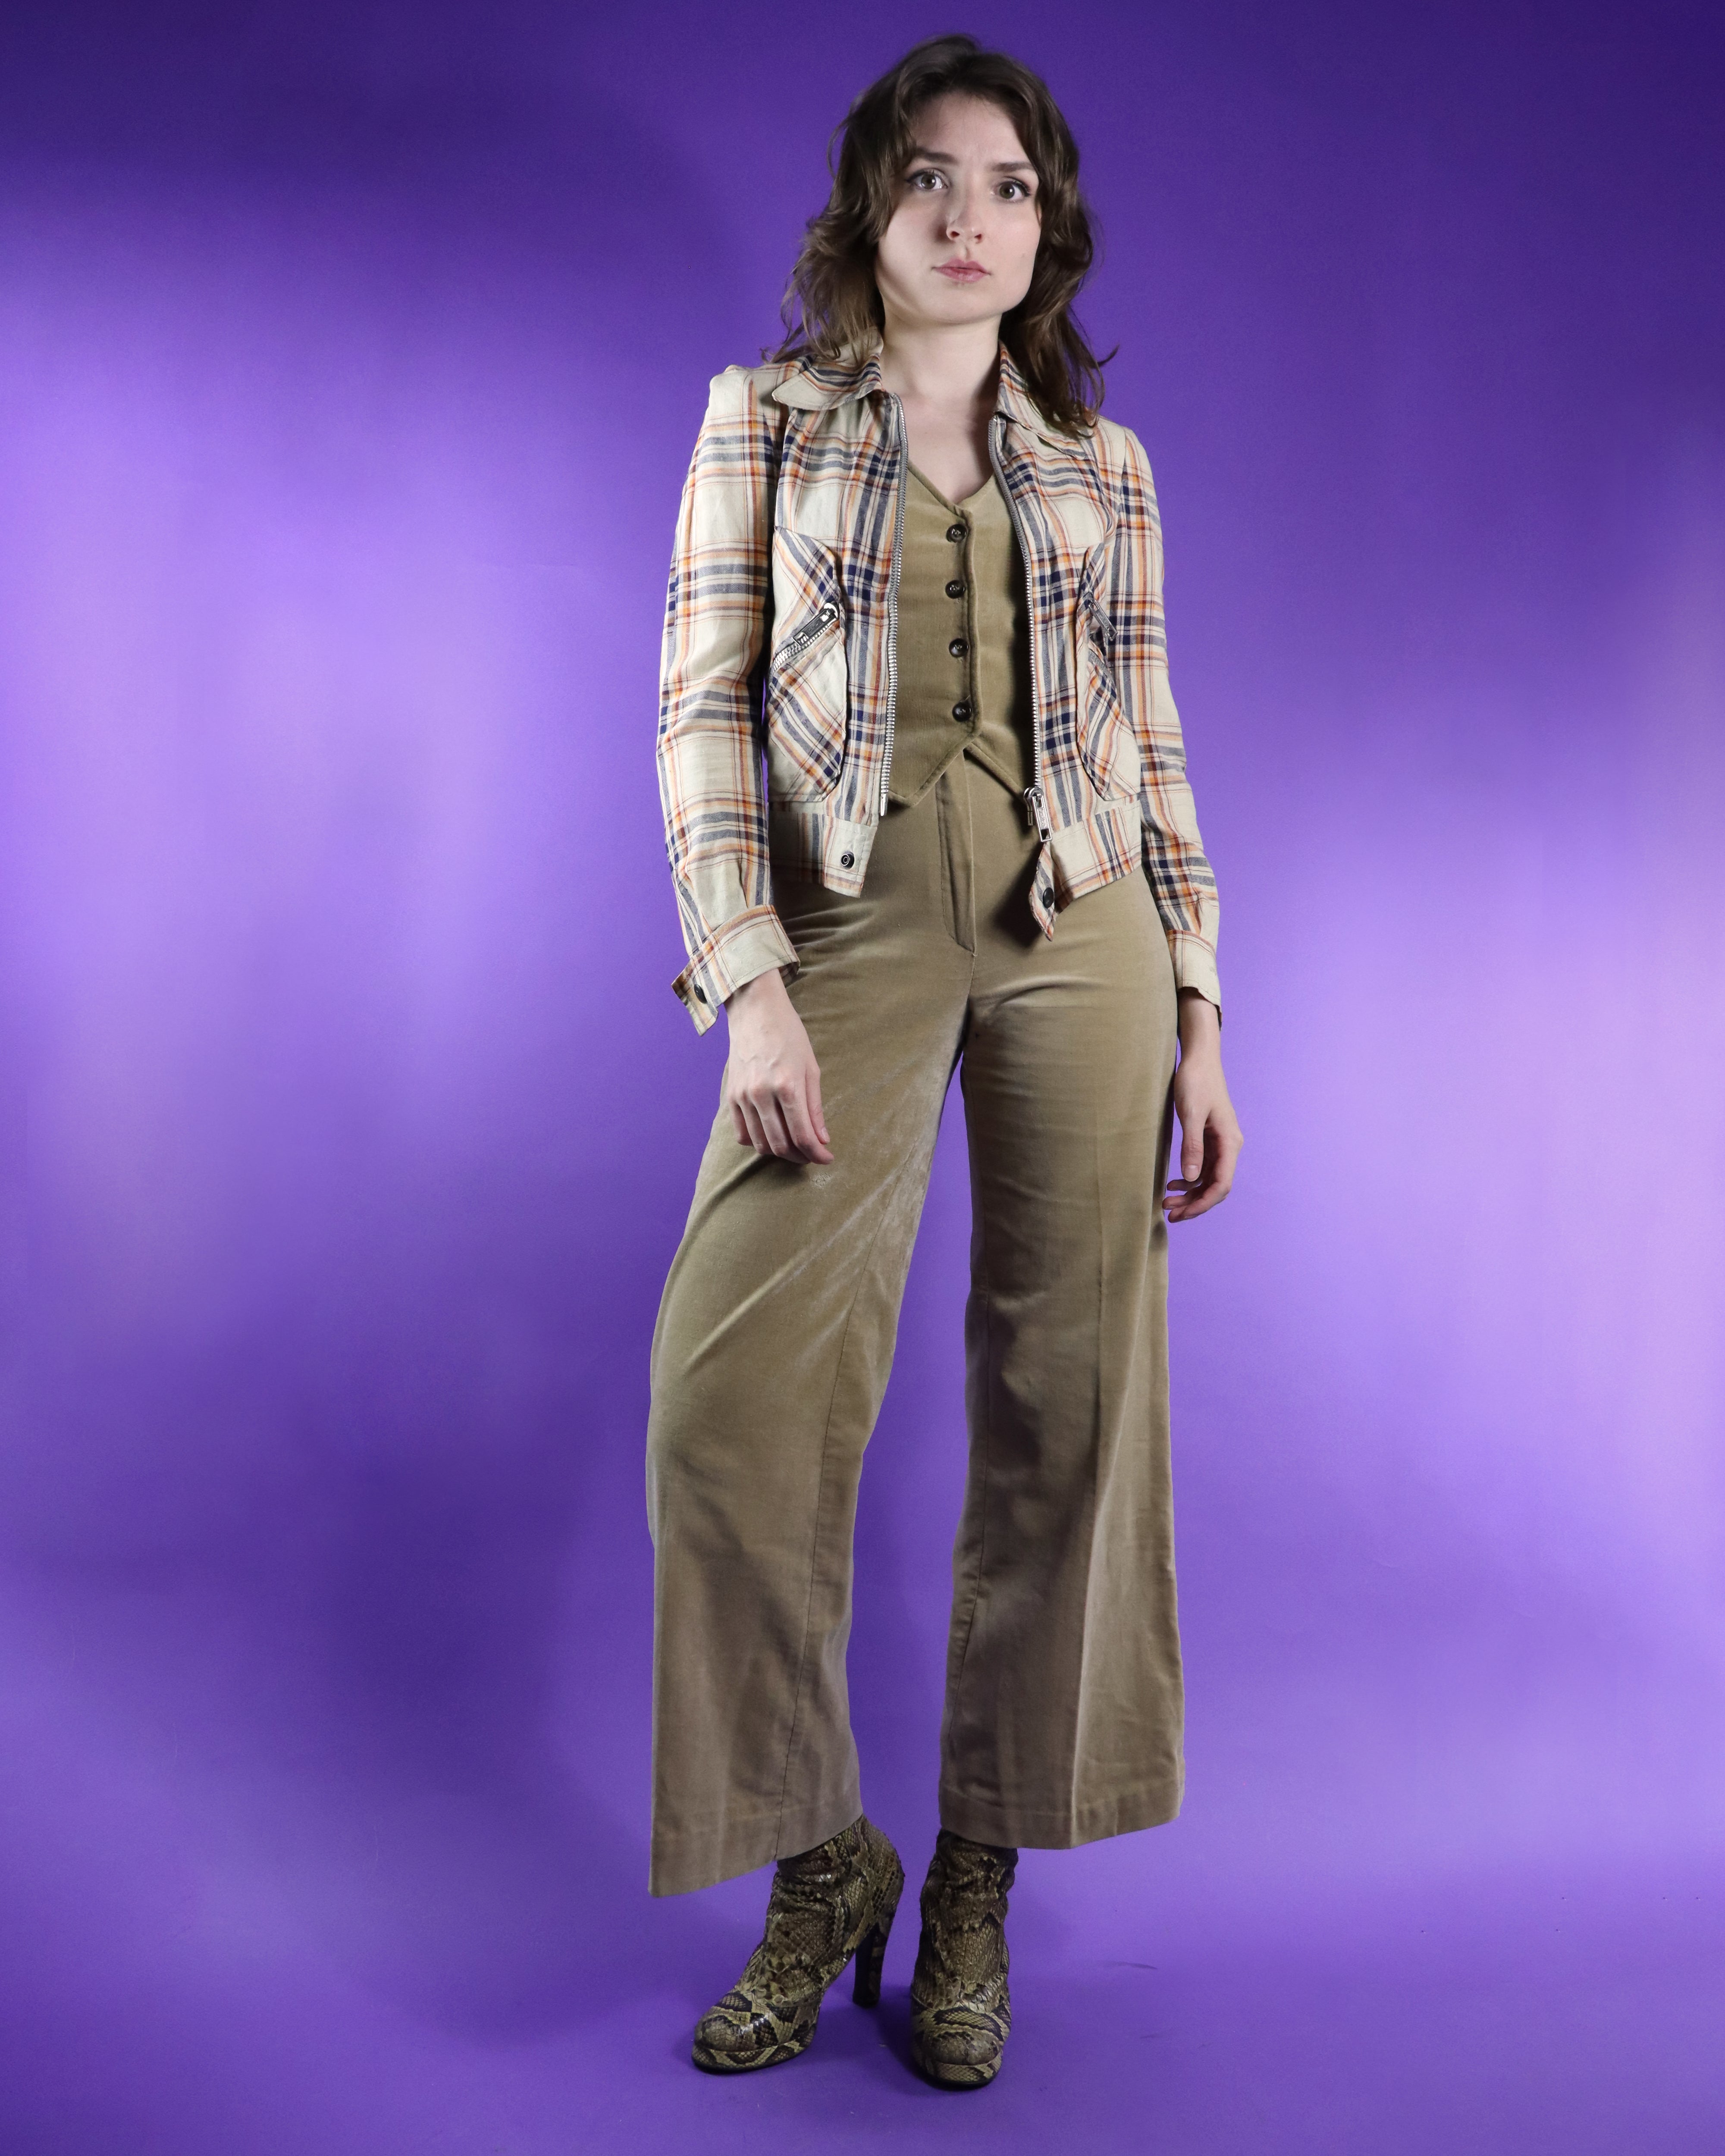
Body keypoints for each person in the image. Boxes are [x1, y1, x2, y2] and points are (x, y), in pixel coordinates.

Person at [648, 33, 1242, 2090]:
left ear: (1043, 228)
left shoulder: (1104, 468)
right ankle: (827, 1859)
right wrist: (749, 982)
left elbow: (1150, 731)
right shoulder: (763, 420)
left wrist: (1203, 1004)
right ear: (869, 210)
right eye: (927, 178)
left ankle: (979, 1869)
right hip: (846, 922)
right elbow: (697, 712)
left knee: (1068, 1387)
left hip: (1086, 921)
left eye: (1004, 184)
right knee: (724, 1403)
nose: (965, 215)